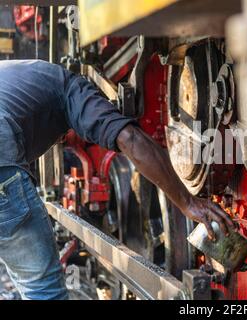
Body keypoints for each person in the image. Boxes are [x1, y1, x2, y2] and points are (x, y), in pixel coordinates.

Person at [0, 60, 234, 300]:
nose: (62, 141)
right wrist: (187, 203)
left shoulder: (25, 80)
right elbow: (129, 138)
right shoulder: (69, 87)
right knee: (43, 290)